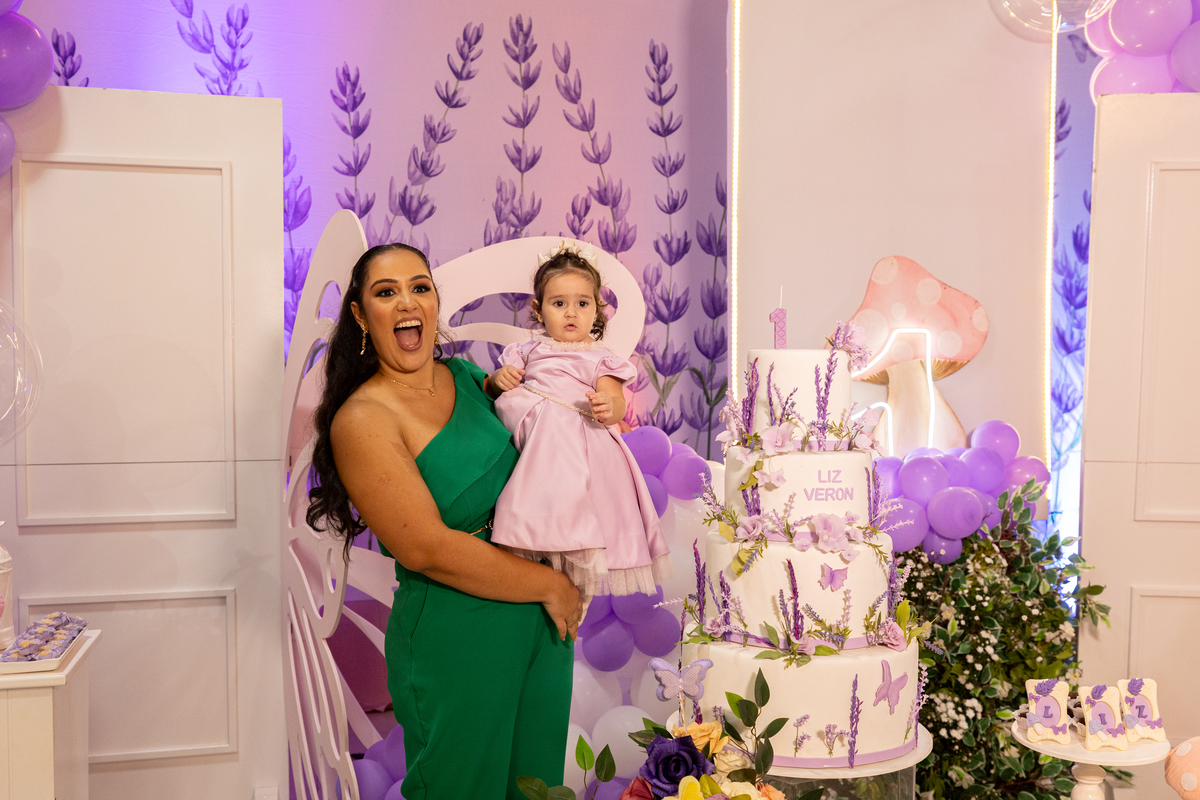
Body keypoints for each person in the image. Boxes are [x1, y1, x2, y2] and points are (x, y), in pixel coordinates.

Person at [305, 243, 581, 800]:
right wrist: (551, 586)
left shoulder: (467, 376)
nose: (407, 301)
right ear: (361, 315)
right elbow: (424, 547)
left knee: (537, 789)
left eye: (420, 287)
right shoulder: (362, 418)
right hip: (459, 636)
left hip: (541, 628)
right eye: (386, 292)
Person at [487, 241, 670, 599]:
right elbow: (498, 389)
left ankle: (575, 597)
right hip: (536, 447)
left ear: (597, 309)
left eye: (582, 304)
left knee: (579, 517)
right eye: (559, 304)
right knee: (537, 510)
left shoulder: (600, 358)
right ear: (539, 311)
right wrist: (499, 379)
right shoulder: (527, 351)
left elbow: (617, 402)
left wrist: (607, 406)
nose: (571, 313)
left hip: (580, 445)